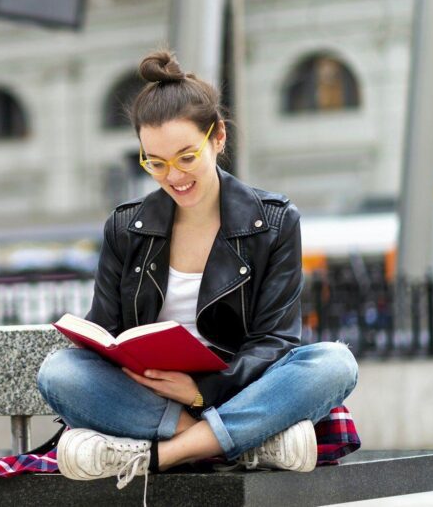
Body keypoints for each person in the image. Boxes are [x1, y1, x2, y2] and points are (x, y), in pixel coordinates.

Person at [36, 50, 359, 495]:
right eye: (156, 163)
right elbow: (105, 329)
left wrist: (200, 390)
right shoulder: (126, 227)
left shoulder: (275, 221)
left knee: (334, 363)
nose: (174, 176)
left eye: (186, 157)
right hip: (150, 396)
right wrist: (105, 346)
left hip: (236, 387)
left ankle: (165, 453)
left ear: (218, 137)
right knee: (59, 372)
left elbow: (277, 341)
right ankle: (238, 445)